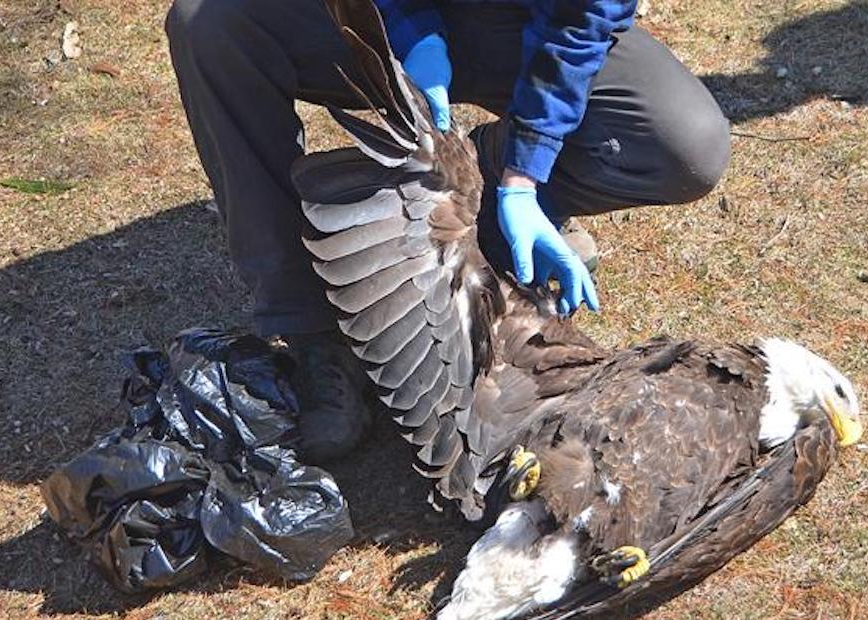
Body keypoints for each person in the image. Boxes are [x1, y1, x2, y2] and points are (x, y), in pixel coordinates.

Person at [165, 0, 730, 462]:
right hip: (379, 14)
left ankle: (469, 200)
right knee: (211, 27)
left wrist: (522, 178)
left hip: (522, 19)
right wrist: (415, 35)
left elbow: (583, 16)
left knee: (682, 145)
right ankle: (313, 328)